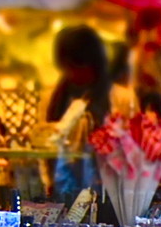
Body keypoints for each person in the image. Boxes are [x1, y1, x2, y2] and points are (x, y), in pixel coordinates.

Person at [43, 25, 136, 202]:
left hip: (111, 194)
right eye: (68, 67)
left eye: (79, 66)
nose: (74, 73)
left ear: (95, 63)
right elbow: (45, 147)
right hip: (63, 194)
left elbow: (132, 149)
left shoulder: (120, 98)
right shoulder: (54, 100)